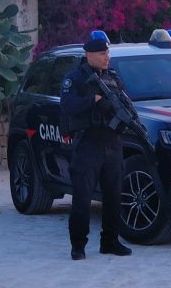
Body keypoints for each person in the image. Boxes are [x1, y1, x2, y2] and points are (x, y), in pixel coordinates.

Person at [60, 38, 132, 261]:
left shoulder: (113, 78)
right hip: (89, 143)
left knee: (113, 197)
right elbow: (67, 105)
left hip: (112, 141)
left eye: (107, 54)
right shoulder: (75, 78)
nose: (106, 58)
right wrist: (93, 99)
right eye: (102, 54)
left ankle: (110, 242)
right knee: (82, 197)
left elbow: (126, 104)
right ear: (89, 54)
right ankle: (78, 245)